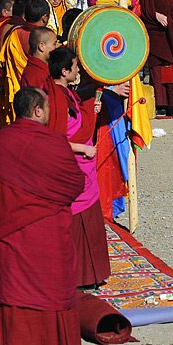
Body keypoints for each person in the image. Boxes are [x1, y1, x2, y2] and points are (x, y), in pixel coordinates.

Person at [0, 87, 85, 345]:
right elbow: (74, 185)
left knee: (9, 287)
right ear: (37, 110)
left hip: (6, 237)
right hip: (44, 237)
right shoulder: (54, 143)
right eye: (46, 106)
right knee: (45, 288)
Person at [48, 47, 110, 288]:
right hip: (73, 165)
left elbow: (78, 122)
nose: (78, 70)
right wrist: (83, 149)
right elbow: (57, 138)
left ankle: (92, 274)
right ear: (65, 71)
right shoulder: (56, 98)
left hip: (83, 164)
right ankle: (81, 277)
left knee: (90, 219)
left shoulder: (64, 92)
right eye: (75, 67)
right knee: (79, 221)